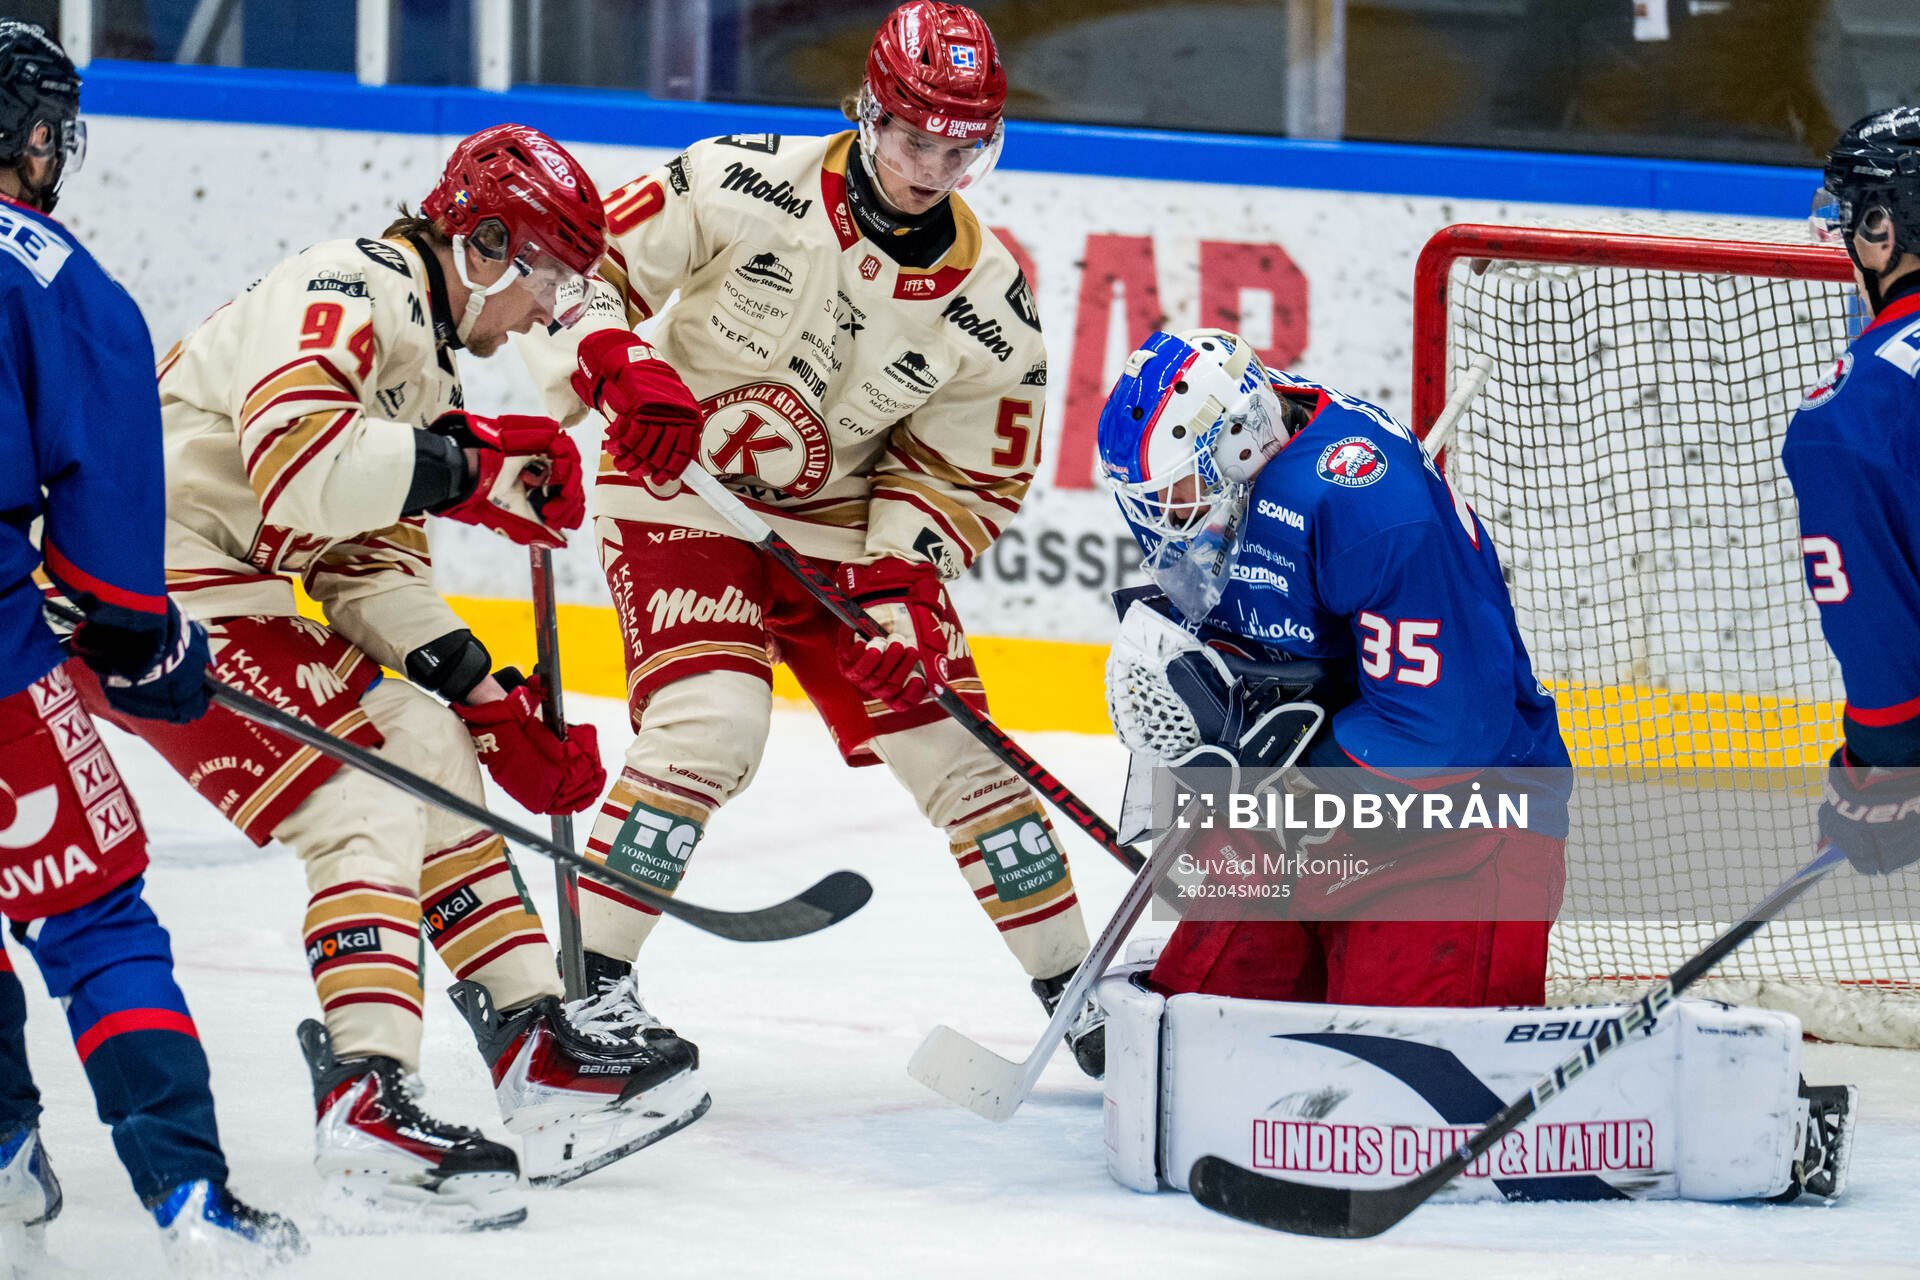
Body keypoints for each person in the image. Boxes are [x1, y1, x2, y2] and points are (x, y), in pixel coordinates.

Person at [87, 123, 700, 1227]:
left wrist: (489, 699)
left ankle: (535, 1043)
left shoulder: (421, 350)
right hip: (144, 591)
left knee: (427, 738)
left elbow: (367, 566)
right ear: (486, 245)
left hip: (231, 588)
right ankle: (367, 1095)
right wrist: (469, 465)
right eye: (548, 277)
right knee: (361, 795)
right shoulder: (344, 282)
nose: (546, 313)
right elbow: (306, 468)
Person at [515, 1, 1105, 1076]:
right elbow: (575, 265)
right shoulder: (740, 178)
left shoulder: (991, 299)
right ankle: (588, 990)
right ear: (867, 113)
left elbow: (966, 470)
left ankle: (1082, 996)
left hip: (844, 534)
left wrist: (898, 587)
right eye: (914, 138)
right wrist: (613, 357)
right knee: (711, 724)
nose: (932, 168)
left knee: (964, 755)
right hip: (680, 489)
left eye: (959, 147)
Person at [0, 20, 303, 1266]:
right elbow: (108, 562)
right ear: (28, 134)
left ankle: (9, 1159)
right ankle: (191, 1200)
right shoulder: (57, 279)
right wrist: (148, 644)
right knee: (92, 913)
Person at [1095, 328, 1571, 1006]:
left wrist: (1284, 775)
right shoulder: (1231, 479)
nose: (1164, 518)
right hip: (1300, 821)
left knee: (1389, 1087)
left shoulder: (1369, 507)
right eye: (1150, 498)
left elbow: (1448, 729)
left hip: (1457, 828)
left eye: (1174, 491)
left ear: (1238, 442)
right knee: (1193, 1038)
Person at [1788, 106, 1920, 877]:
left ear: (1882, 230)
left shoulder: (1848, 416)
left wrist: (1882, 768)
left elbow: (1881, 645)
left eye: (1846, 218)